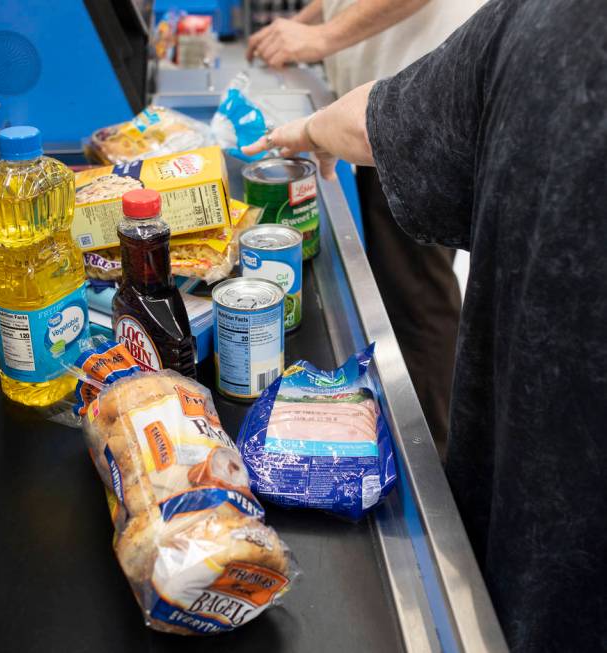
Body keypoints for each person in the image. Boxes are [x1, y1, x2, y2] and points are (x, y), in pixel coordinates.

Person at [244, 1, 607, 650]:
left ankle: (433, 455)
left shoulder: (541, 17)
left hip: (534, 538)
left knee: (423, 304)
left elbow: (374, 122)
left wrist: (312, 118)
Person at [247, 0, 484, 457]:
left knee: (415, 295)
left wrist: (319, 39)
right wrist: (304, 23)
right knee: (403, 286)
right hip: (382, 107)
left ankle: (438, 461)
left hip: (415, 109)